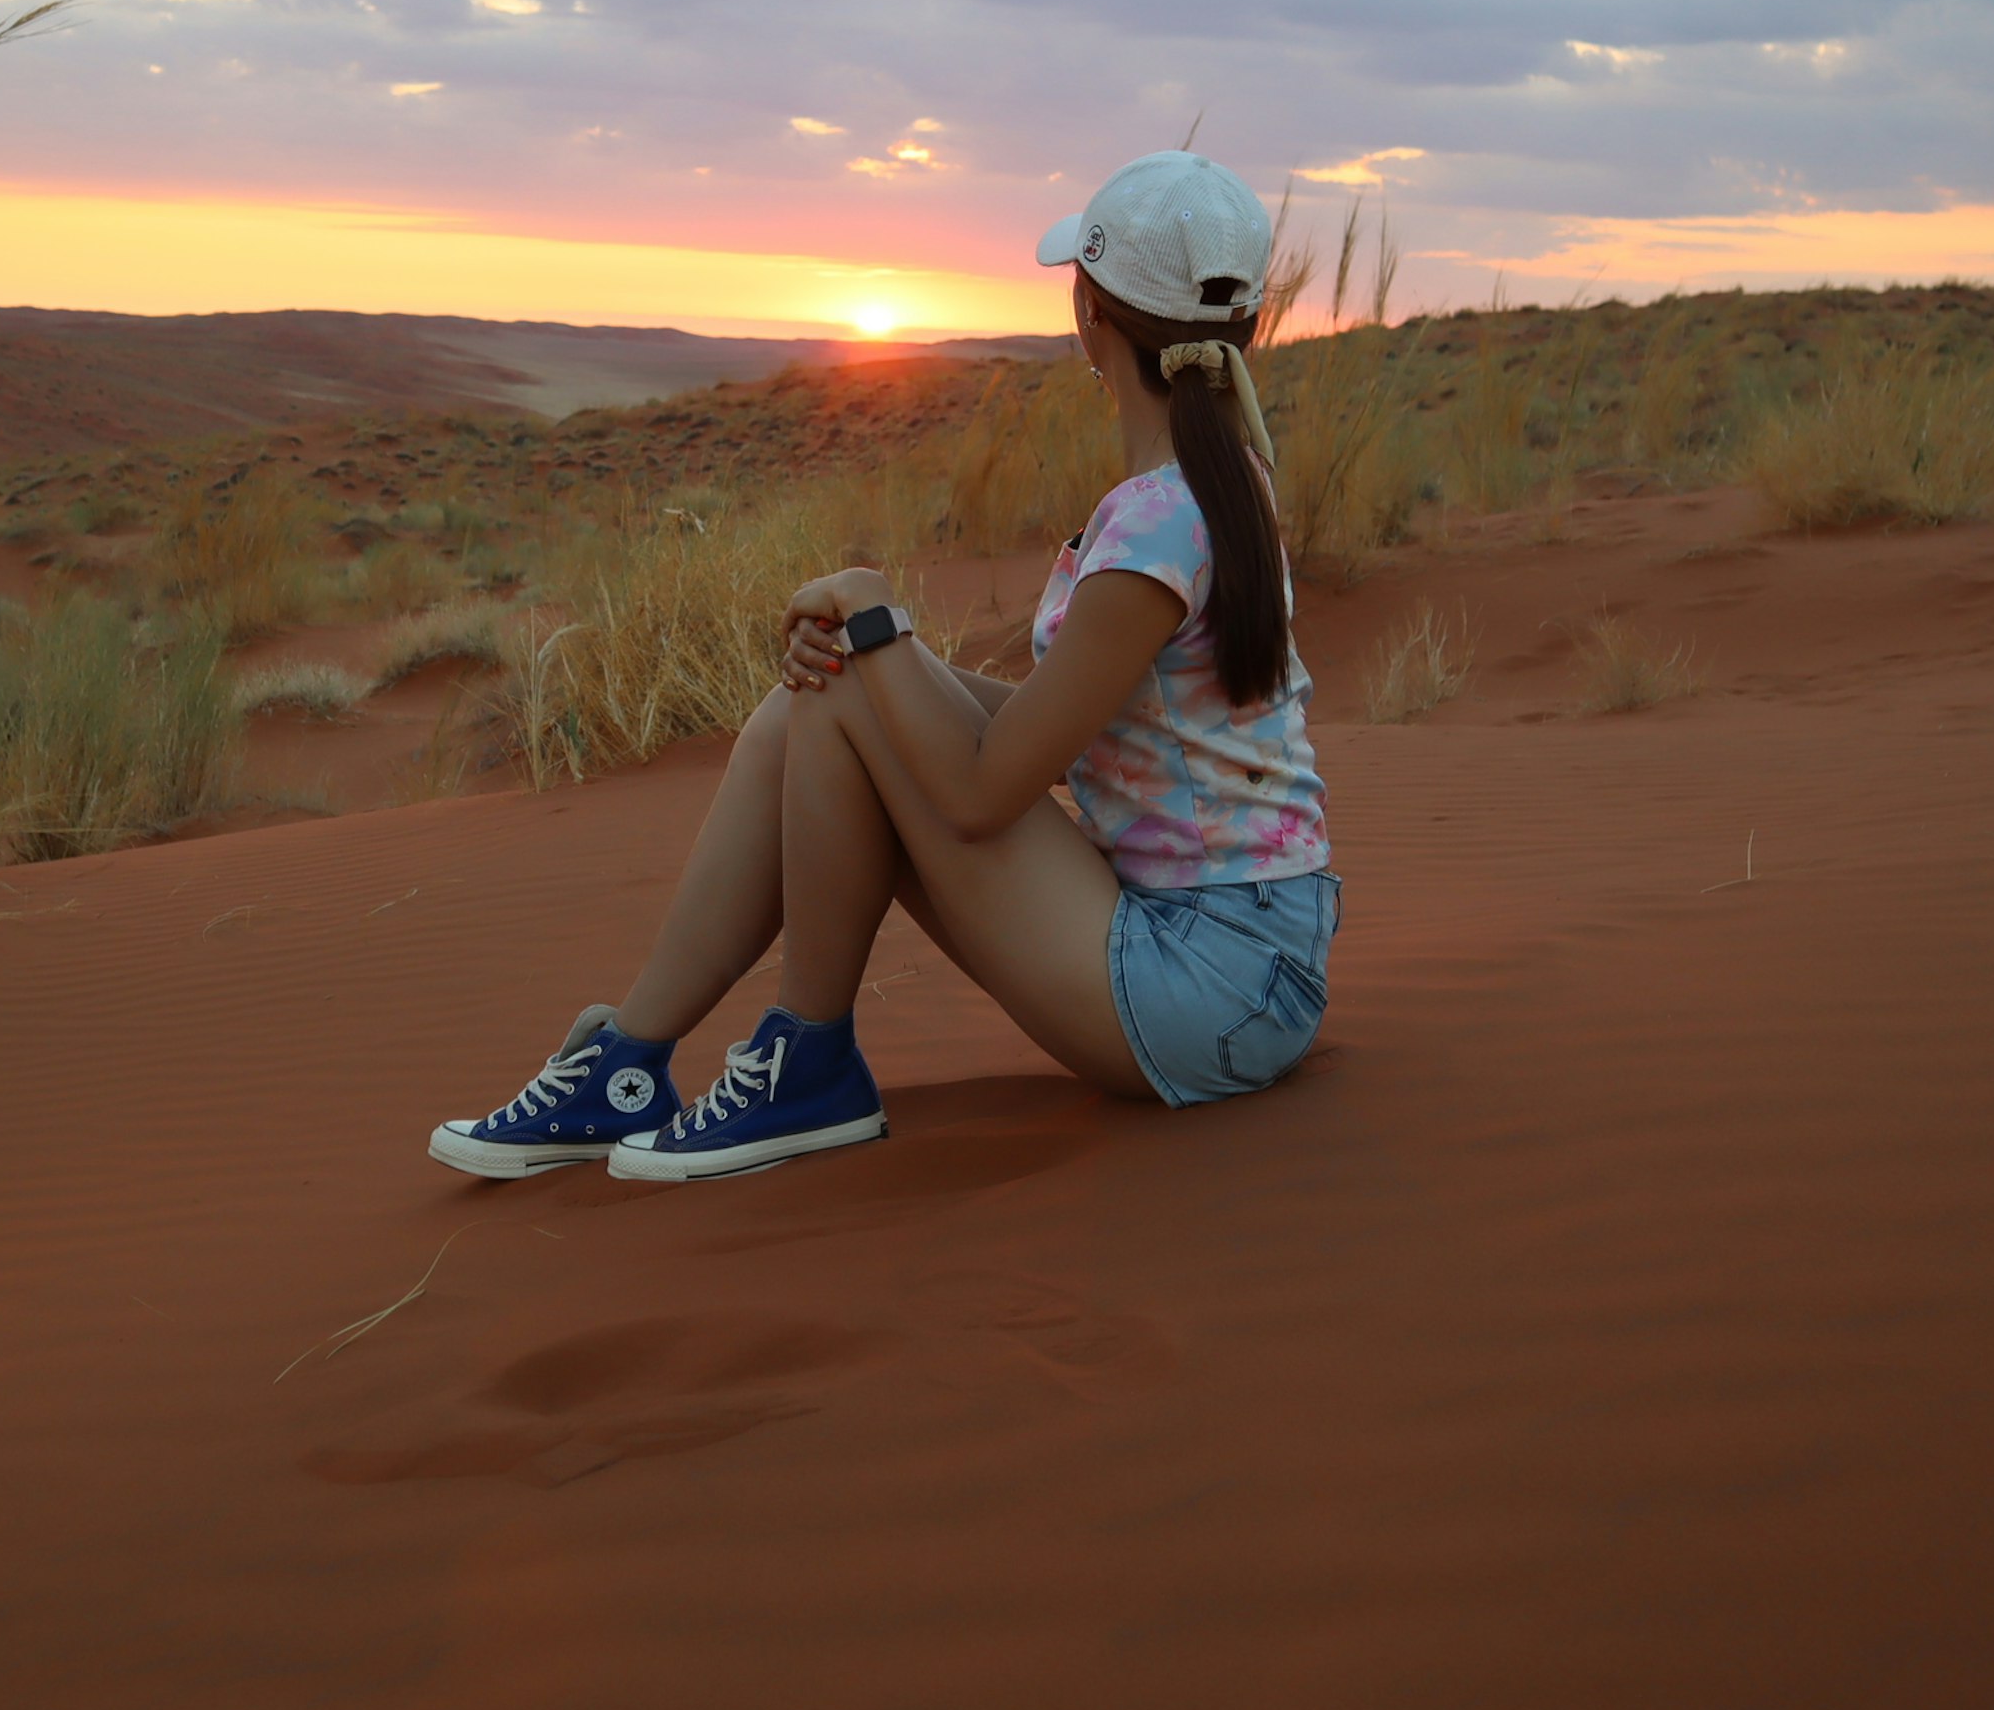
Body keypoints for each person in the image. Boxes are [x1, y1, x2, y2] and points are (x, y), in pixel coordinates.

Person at [430, 149, 1337, 1184]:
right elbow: (1083, 720)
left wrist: (872, 609)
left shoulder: (1159, 521)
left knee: (845, 689)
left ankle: (800, 1061)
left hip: (1208, 983)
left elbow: (982, 793)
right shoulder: (1212, 486)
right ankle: (631, 1059)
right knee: (818, 696)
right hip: (1244, 960)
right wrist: (888, 666)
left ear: (1089, 313)